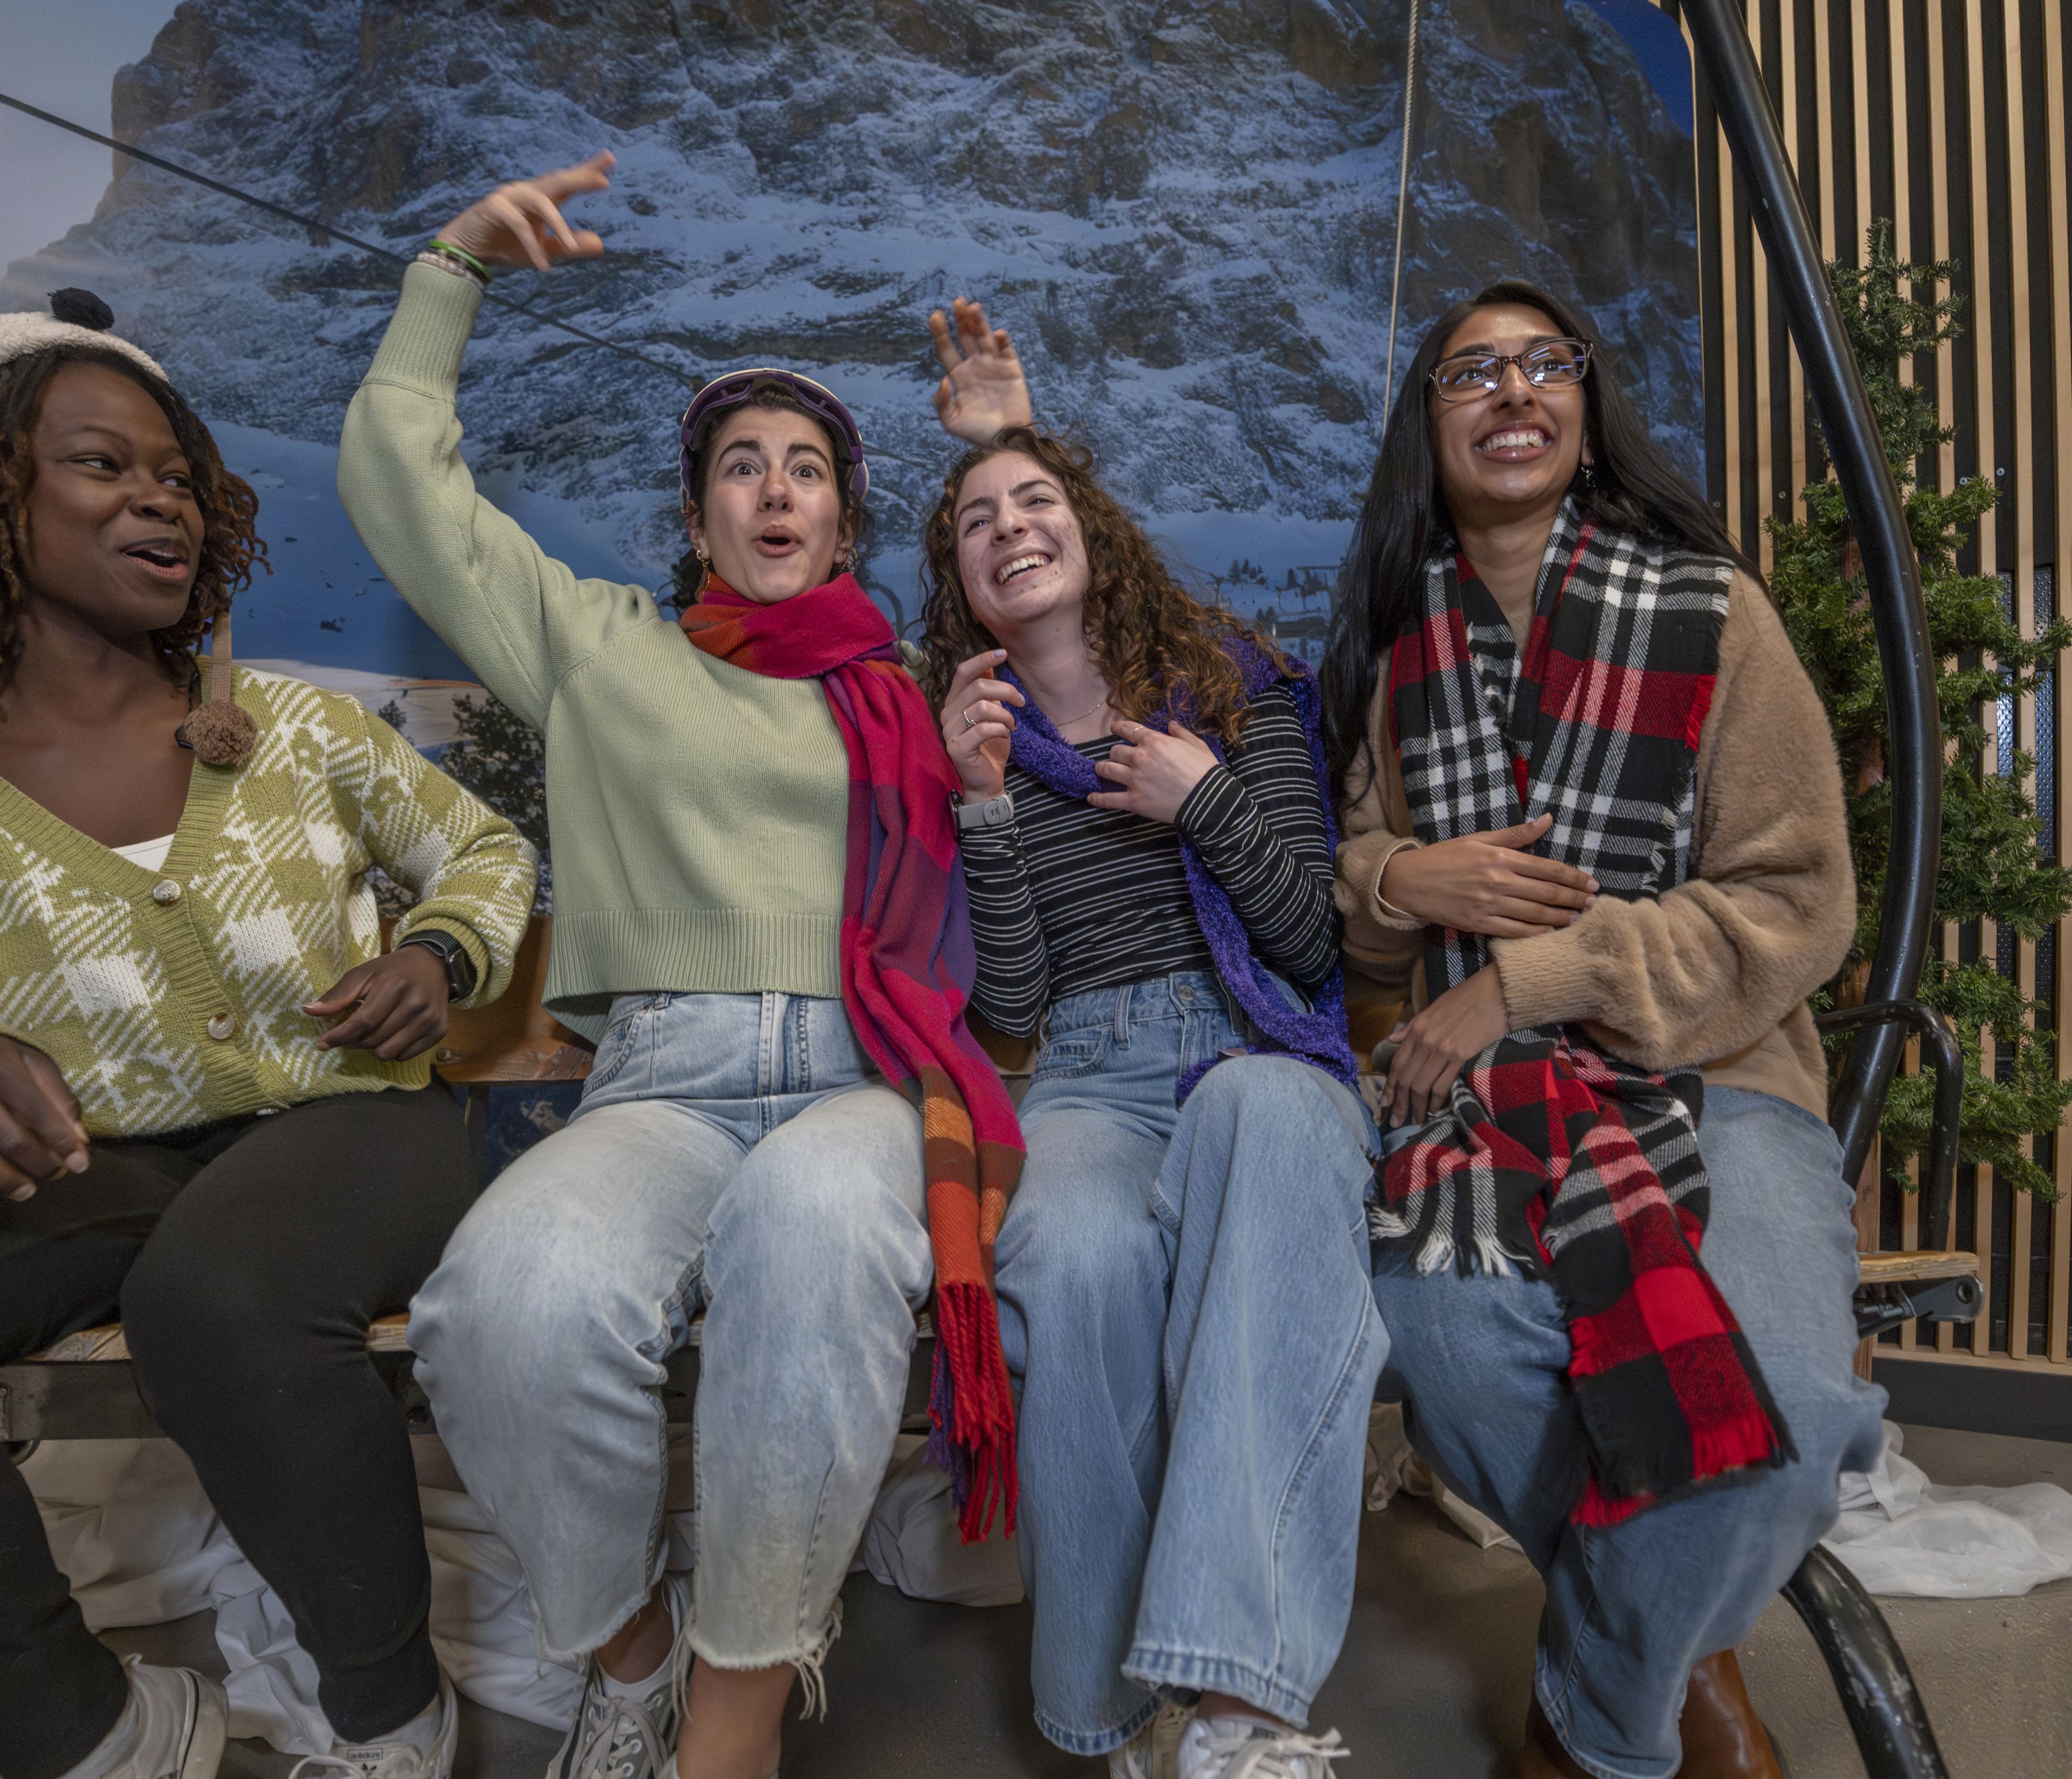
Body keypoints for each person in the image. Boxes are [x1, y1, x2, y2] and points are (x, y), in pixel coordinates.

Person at [0, 291, 537, 1779]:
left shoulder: (290, 728)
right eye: (101, 463)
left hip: (346, 1121)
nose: (157, 494)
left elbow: (486, 854)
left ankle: (388, 1709)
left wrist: (437, 946)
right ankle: (95, 1733)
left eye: (175, 475)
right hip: (97, 1160)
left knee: (226, 1297)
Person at [337, 156, 1024, 1779]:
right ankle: (628, 1649)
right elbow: (400, 485)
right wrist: (458, 261)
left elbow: (1075, 623)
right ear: (699, 509)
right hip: (662, 1077)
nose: (775, 491)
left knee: (809, 1225)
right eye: (740, 466)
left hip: (871, 1076)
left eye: (806, 469)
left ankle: (734, 1715)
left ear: (848, 515)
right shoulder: (601, 647)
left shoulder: (919, 688)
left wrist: (1000, 447)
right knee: (505, 1300)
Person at [1323, 281, 1884, 1779]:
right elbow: (1351, 909)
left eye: (1541, 365)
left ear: (1583, 405)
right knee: (1449, 1343)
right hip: (1474, 1093)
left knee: (1775, 1412)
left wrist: (1530, 976)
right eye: (1468, 375)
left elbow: (1794, 901)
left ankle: (1585, 1722)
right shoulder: (1395, 654)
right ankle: (1681, 1652)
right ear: (1426, 428)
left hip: (1715, 1074)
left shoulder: (1713, 615)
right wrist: (1398, 873)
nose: (1510, 393)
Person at [922, 304, 1369, 1779]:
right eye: (978, 523)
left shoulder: (1234, 694)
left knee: (1261, 1116)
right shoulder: (983, 745)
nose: (1011, 530)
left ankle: (1233, 1710)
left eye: (1037, 502)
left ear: (1093, 534)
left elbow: (1310, 946)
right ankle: (1105, 1716)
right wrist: (985, 806)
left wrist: (1204, 801)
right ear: (961, 588)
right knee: (1074, 1258)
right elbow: (1010, 1014)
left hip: (1258, 1045)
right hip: (1095, 1075)